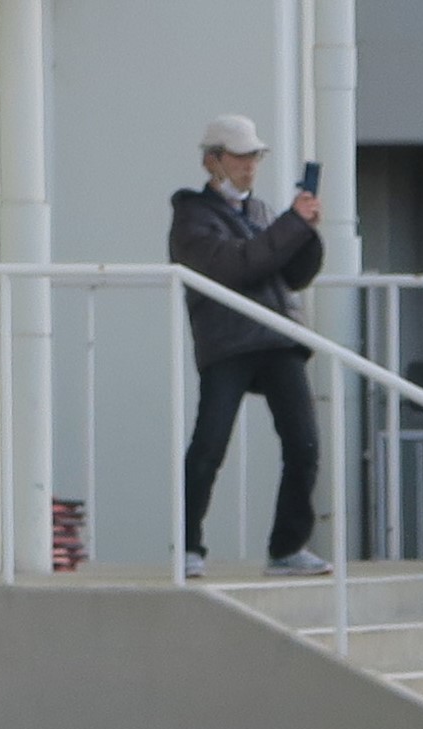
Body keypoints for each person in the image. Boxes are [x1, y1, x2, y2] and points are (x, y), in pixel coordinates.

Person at [168, 114, 329, 578]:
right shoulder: (190, 217)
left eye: (254, 156)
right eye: (240, 156)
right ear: (212, 161)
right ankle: (188, 545)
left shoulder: (259, 213)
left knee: (304, 443)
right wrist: (293, 226)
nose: (249, 165)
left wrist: (305, 230)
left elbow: (291, 274)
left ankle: (287, 547)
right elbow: (236, 267)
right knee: (209, 445)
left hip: (275, 337)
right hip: (230, 342)